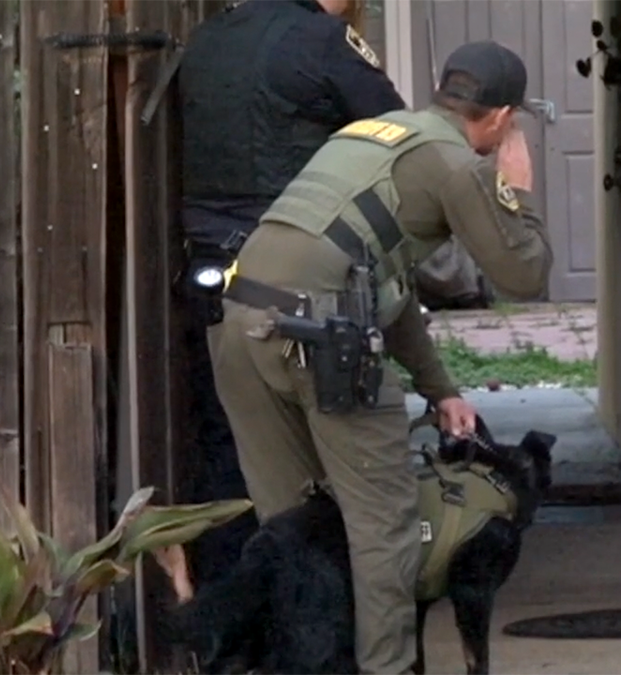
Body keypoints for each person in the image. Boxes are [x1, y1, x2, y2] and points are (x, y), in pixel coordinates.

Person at [207, 40, 552, 674]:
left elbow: (382, 290)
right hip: (322, 341)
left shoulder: (371, 137)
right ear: (501, 118)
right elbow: (524, 274)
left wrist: (441, 388)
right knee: (383, 531)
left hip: (242, 324)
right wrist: (518, 193)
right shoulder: (458, 164)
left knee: (298, 535)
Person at [176, 0, 407, 589]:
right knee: (320, 453)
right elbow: (397, 140)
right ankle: (313, 616)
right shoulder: (326, 42)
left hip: (210, 269)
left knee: (226, 445)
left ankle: (233, 620)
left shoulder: (207, 38)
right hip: (296, 280)